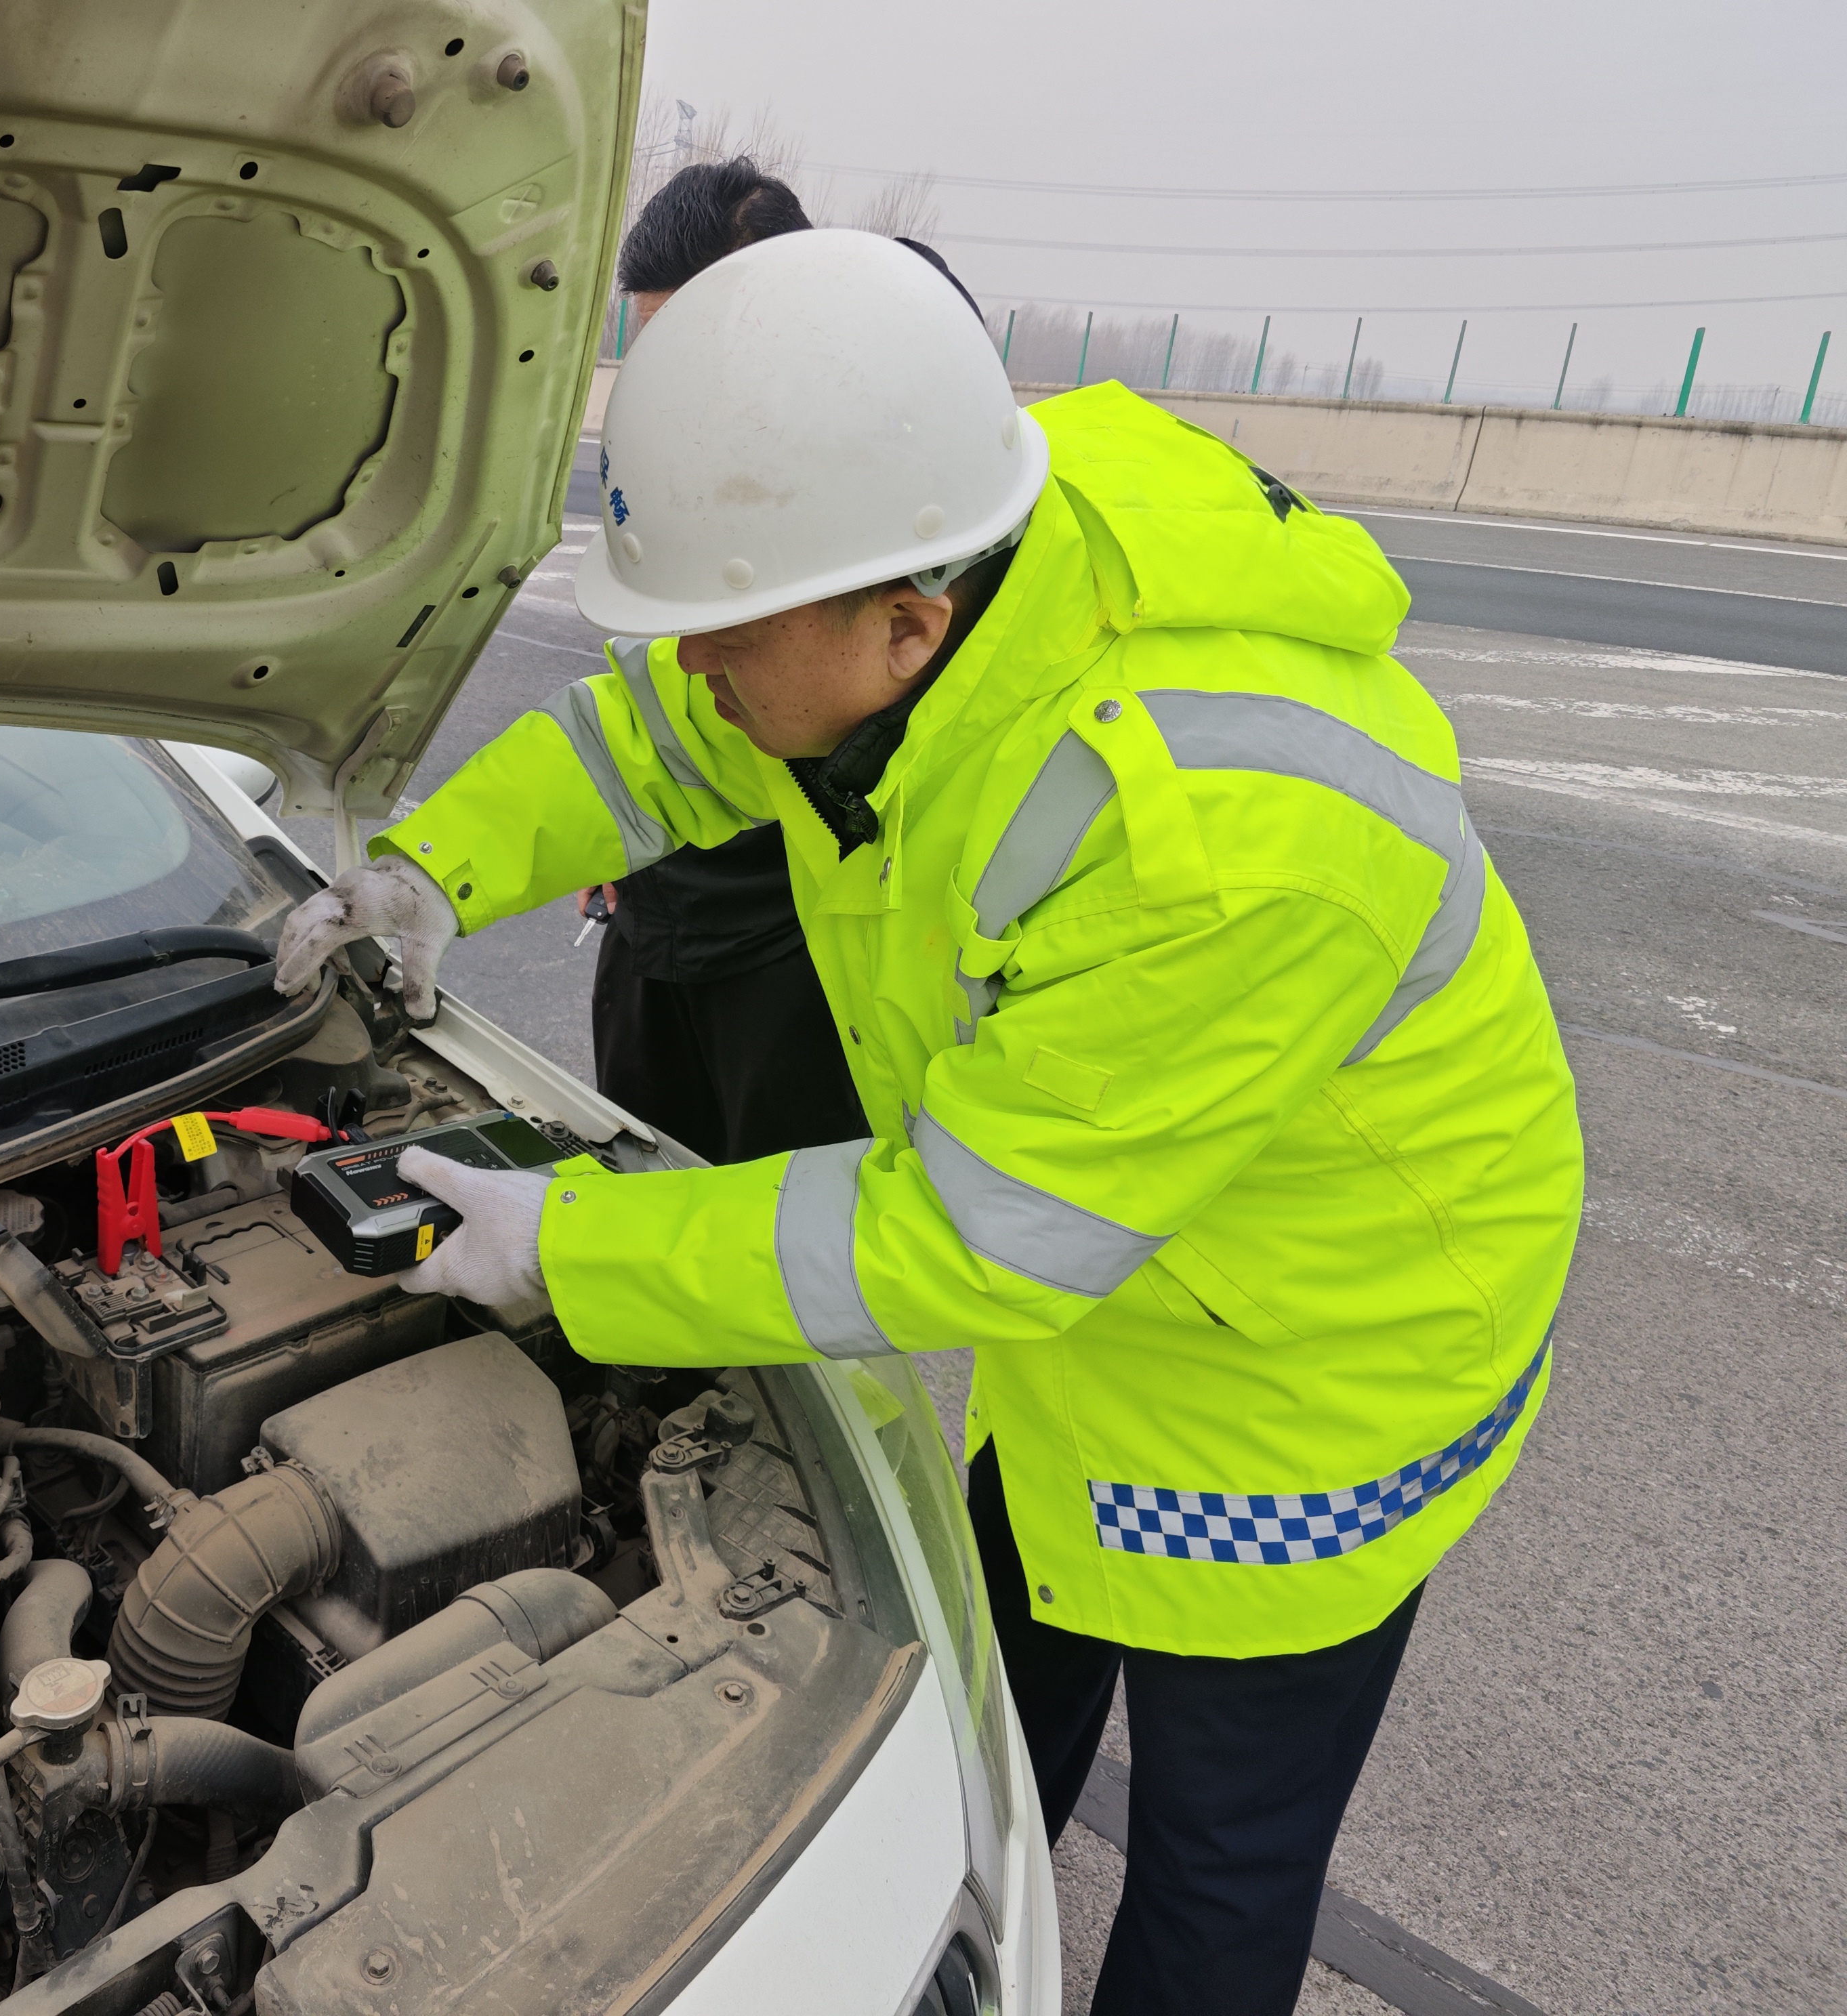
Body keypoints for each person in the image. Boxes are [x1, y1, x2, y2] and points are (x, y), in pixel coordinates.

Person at [275, 230, 1584, 2013]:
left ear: (909, 625)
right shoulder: (928, 547)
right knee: (998, 1688)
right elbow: (654, 745)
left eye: (727, 637)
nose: (696, 667)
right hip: (1123, 1279)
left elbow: (971, 1233)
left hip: (1313, 1370)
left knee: (1218, 1857)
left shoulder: (1211, 842)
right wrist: (438, 869)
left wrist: (563, 1250)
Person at [577, 159, 865, 1163]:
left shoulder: (879, 472)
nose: (672, 385)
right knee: (641, 1166)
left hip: (793, 943)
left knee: (782, 1213)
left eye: (697, 346)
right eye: (653, 350)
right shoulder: (666, 454)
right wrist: (605, 835)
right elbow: (653, 686)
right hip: (653, 913)